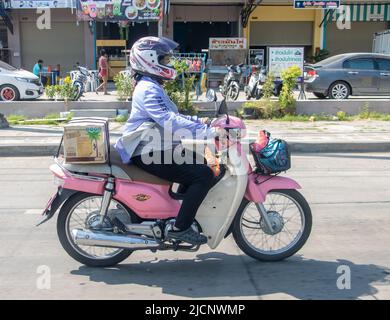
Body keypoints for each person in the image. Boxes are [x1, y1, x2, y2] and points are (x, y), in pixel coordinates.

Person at [114, 37, 222, 245]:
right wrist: (207, 132)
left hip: (158, 146)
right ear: (150, 60)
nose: (168, 64)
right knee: (204, 175)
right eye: (164, 59)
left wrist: (204, 122)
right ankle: (180, 228)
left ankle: (181, 215)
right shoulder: (148, 89)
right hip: (147, 151)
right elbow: (169, 120)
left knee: (200, 164)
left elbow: (173, 115)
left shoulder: (151, 85)